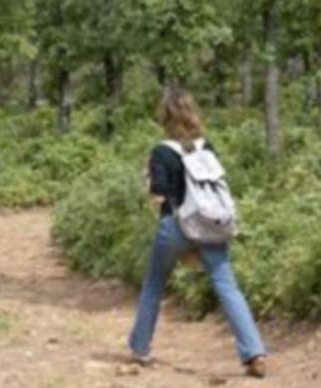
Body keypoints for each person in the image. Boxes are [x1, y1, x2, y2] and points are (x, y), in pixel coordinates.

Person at [128, 88, 268, 378]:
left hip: (175, 225)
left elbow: (157, 196)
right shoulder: (206, 147)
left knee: (154, 284)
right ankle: (254, 354)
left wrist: (149, 181)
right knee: (227, 287)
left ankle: (140, 349)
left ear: (165, 116)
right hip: (210, 224)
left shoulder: (162, 151)